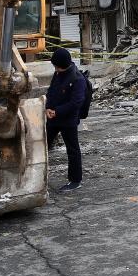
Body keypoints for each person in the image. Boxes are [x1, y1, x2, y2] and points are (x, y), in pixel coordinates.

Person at [46, 47, 86, 191]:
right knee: (43, 145)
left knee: (73, 150)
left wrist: (57, 111)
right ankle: (39, 174)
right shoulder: (57, 74)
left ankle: (75, 180)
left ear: (63, 64)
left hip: (68, 120)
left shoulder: (77, 78)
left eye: (57, 66)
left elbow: (76, 103)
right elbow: (51, 91)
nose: (55, 69)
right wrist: (48, 108)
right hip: (53, 117)